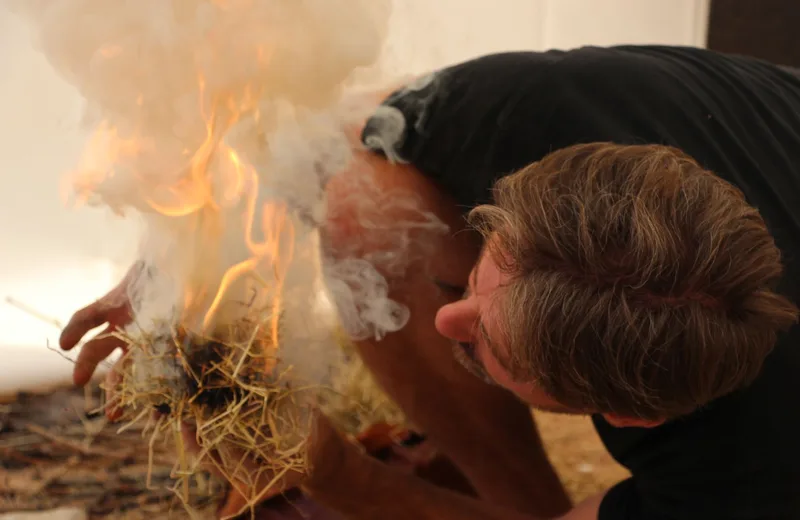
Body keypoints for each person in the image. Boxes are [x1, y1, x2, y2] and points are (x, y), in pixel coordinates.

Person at [59, 44, 800, 520]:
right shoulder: (547, 103)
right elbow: (324, 138)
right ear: (535, 189)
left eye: (493, 343)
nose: (446, 322)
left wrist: (336, 472)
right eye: (478, 276)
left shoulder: (749, 482)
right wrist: (185, 265)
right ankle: (519, 496)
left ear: (631, 418)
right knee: (361, 202)